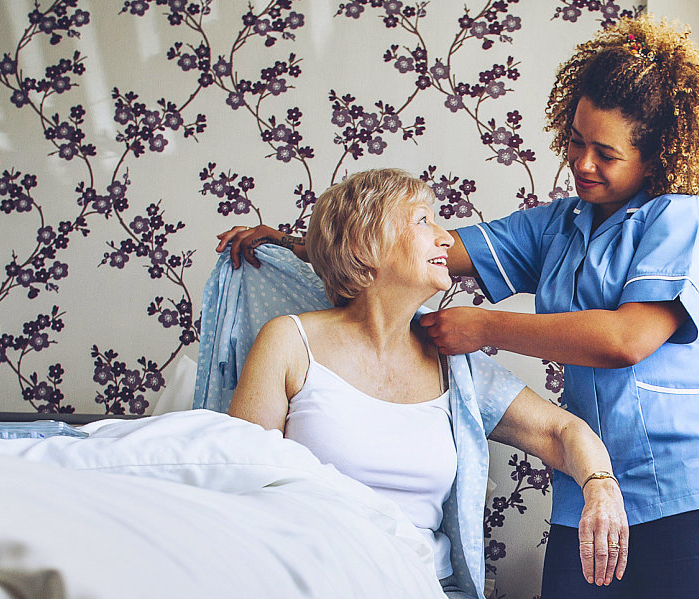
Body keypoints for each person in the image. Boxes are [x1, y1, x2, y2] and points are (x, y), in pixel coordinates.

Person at [215, 15, 699, 599]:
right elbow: (420, 247)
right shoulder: (558, 226)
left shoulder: (686, 221)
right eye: (576, 141)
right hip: (588, 482)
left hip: (693, 478)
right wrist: (308, 245)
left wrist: (482, 327)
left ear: (655, 155)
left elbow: (626, 339)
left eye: (605, 153)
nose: (581, 162)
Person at [220, 168, 630, 597]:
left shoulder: (454, 365)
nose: (447, 238)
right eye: (423, 221)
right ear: (366, 243)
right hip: (312, 581)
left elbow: (561, 430)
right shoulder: (288, 341)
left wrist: (600, 484)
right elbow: (241, 485)